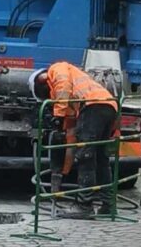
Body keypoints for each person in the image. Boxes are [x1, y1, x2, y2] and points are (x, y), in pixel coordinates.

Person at [31, 60, 120, 214]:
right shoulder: (75, 89)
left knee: (86, 156)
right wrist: (62, 171)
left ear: (42, 82)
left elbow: (62, 86)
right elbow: (72, 135)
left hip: (93, 106)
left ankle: (84, 207)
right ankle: (108, 205)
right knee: (100, 158)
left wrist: (58, 114)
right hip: (108, 106)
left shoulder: (57, 69)